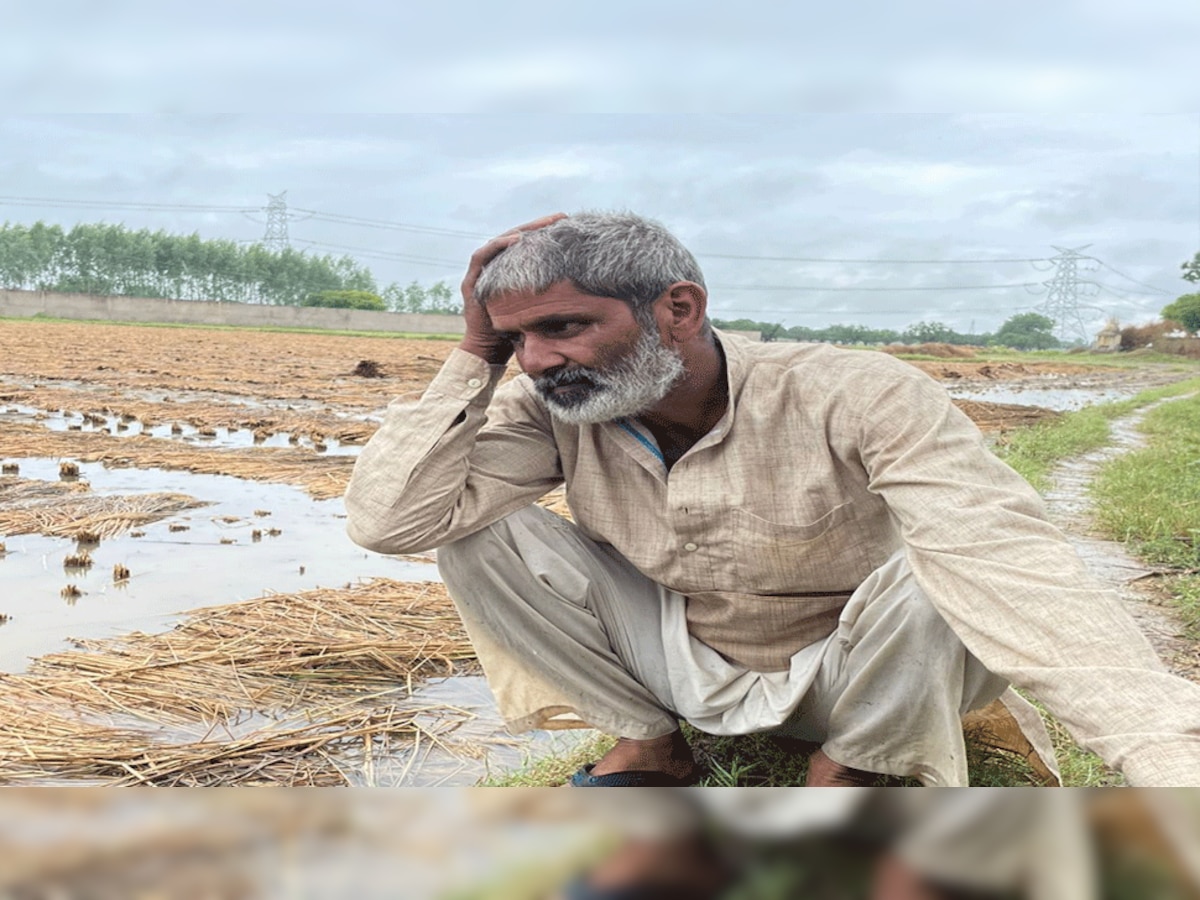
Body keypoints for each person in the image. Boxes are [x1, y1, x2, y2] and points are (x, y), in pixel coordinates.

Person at [344, 211, 1200, 790]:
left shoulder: (853, 392)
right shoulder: (549, 405)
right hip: (685, 659)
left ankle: (855, 764)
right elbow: (394, 522)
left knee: (937, 567)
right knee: (477, 533)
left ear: (678, 308)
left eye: (563, 327)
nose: (536, 360)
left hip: (858, 671)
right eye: (517, 337)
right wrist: (472, 356)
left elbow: (1003, 555)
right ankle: (648, 742)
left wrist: (1163, 751)